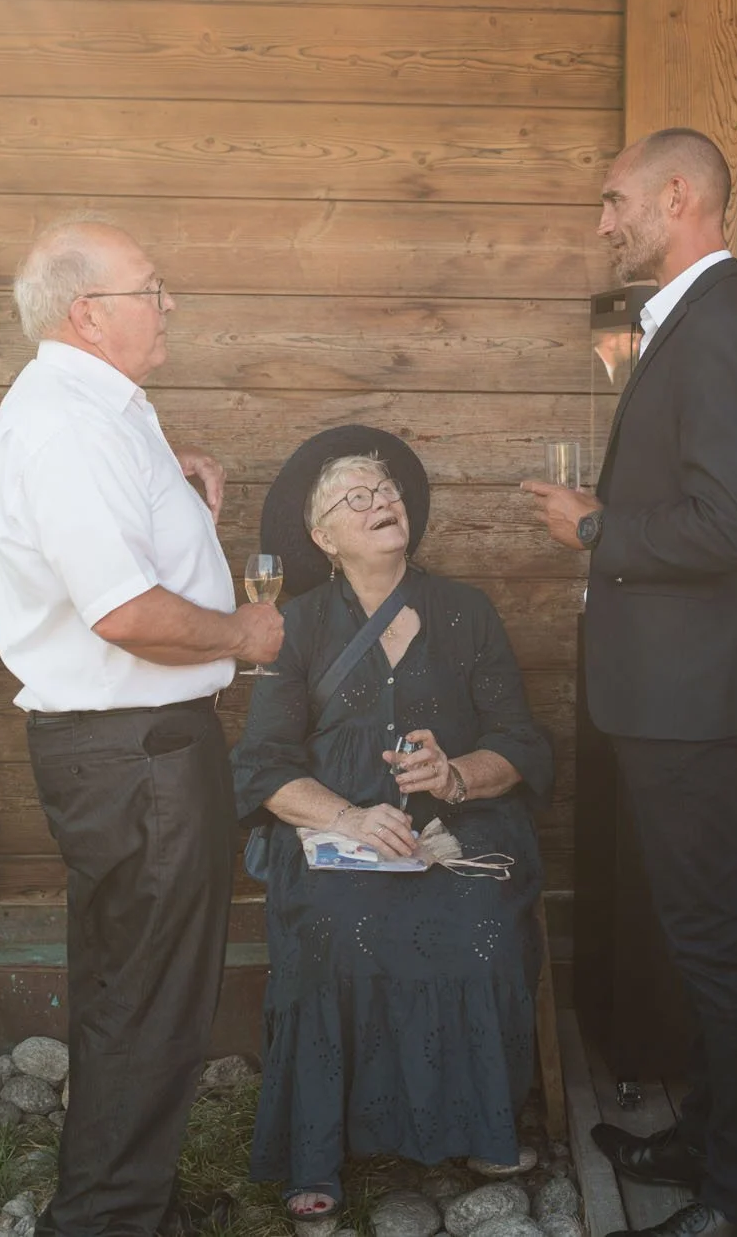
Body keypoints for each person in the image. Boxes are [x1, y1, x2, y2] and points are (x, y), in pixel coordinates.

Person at [523, 127, 737, 1237]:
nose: (602, 225)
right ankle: (704, 1134)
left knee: (716, 940)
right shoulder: (694, 325)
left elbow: (731, 523)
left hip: (699, 699)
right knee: (700, 931)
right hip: (679, 695)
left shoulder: (719, 330)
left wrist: (598, 525)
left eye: (613, 202)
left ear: (677, 196)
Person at [0, 218, 284, 1237]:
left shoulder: (99, 410)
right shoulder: (68, 426)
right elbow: (124, 613)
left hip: (131, 752)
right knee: (152, 1004)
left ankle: (111, 1205)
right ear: (88, 313)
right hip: (140, 755)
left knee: (129, 994)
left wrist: (165, 475)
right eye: (151, 289)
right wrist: (243, 633)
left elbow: (109, 537)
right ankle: (109, 1218)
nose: (167, 306)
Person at [233, 427, 554, 1225]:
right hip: (334, 837)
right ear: (323, 537)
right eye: (357, 498)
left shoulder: (465, 611)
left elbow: (521, 741)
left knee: (482, 922)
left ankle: (481, 1123)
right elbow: (264, 765)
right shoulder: (295, 626)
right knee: (333, 926)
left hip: (456, 831)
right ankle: (318, 1149)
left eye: (387, 492)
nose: (381, 504)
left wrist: (456, 774)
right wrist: (348, 814)